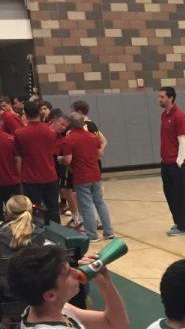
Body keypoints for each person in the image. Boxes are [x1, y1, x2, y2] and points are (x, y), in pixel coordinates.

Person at [59, 114, 115, 242]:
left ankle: (92, 235)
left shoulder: (69, 139)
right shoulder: (91, 136)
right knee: (100, 203)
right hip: (95, 174)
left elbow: (68, 160)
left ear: (70, 125)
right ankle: (109, 232)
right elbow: (100, 153)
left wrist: (60, 159)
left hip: (81, 176)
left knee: (87, 205)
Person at [14, 101, 61, 224]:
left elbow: (18, 158)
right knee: (53, 209)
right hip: (50, 176)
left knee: (34, 210)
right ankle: (58, 237)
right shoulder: (51, 131)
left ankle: (38, 238)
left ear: (25, 114)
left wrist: (20, 177)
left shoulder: (19, 133)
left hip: (30, 178)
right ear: (39, 113)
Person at [158, 86, 185, 236]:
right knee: (170, 194)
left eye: (162, 97)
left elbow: (183, 141)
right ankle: (178, 222)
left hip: (177, 164)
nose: (159, 99)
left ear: (170, 98)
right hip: (165, 163)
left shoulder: (179, 116)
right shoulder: (164, 115)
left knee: (181, 195)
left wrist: (179, 162)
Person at [47, 109, 81, 229]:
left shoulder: (63, 139)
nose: (63, 127)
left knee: (67, 191)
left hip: (57, 170)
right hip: (41, 172)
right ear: (54, 121)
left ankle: (77, 217)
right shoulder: (44, 132)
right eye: (61, 124)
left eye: (65, 126)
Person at [0, 124, 20, 209]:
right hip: (12, 181)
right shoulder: (11, 139)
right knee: (16, 213)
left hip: (10, 181)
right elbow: (18, 160)